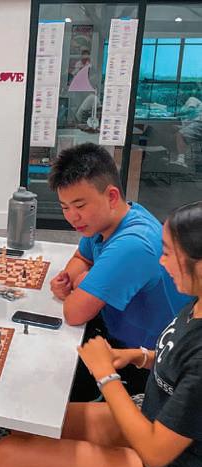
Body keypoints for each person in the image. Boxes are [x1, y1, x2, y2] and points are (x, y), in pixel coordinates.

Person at [0, 200, 202, 467]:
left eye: (168, 254)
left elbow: (154, 453)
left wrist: (106, 375)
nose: (161, 262)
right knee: (29, 425)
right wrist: (139, 356)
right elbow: (178, 360)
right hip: (156, 417)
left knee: (6, 455)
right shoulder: (196, 304)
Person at [49, 143, 190, 400]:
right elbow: (82, 257)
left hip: (149, 365)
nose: (72, 217)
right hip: (117, 332)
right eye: (65, 207)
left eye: (80, 205)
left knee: (51, 389)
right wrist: (72, 280)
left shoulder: (133, 244)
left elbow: (74, 313)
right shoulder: (106, 220)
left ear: (112, 196)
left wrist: (80, 284)